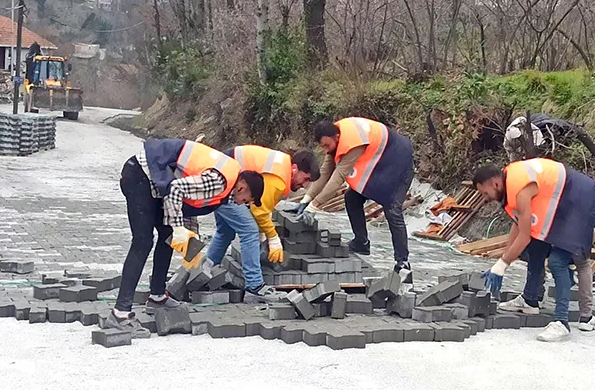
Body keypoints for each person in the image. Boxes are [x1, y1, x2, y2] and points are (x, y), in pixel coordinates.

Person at [112, 139, 265, 337]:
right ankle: (120, 314)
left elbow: (189, 203)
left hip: (157, 184)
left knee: (167, 235)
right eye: (245, 201)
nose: (240, 204)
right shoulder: (220, 181)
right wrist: (178, 228)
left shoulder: (225, 187)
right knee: (143, 241)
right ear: (242, 188)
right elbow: (176, 189)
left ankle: (157, 296)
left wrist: (192, 247)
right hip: (141, 174)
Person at [473, 158, 595, 342]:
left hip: (580, 201)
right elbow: (518, 226)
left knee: (560, 261)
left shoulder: (520, 189)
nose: (485, 198)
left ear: (495, 183)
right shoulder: (509, 183)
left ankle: (564, 321)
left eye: (485, 193)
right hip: (561, 203)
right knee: (535, 246)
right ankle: (530, 300)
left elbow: (523, 236)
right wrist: (501, 262)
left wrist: (502, 265)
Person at [296, 118, 414, 275]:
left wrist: (314, 206)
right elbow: (325, 172)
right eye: (322, 146)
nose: (325, 150)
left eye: (327, 145)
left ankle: (403, 261)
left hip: (399, 162)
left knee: (392, 209)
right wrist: (306, 199)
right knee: (352, 198)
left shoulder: (353, 142)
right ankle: (361, 242)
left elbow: (338, 177)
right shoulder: (335, 140)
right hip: (380, 163)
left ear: (336, 137)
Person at [206, 146, 320, 294]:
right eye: (305, 179)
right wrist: (272, 237)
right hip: (225, 182)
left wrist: (263, 236)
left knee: (225, 231)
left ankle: (205, 273)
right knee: (249, 230)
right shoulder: (278, 178)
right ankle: (255, 285)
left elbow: (261, 206)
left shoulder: (281, 167)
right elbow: (259, 211)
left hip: (221, 175)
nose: (304, 186)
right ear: (295, 169)